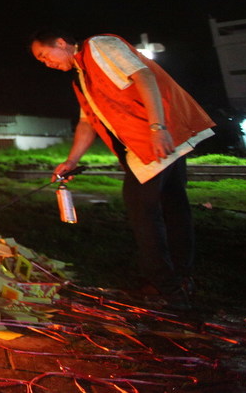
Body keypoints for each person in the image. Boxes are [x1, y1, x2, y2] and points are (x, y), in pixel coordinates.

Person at [30, 31, 214, 304]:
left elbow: (144, 76)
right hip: (153, 141)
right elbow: (87, 122)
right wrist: (71, 161)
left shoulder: (100, 45)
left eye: (45, 56)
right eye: (41, 62)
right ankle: (180, 280)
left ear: (60, 42)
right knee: (173, 205)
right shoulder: (81, 78)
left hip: (153, 139)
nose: (47, 64)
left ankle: (166, 288)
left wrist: (157, 127)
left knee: (142, 208)